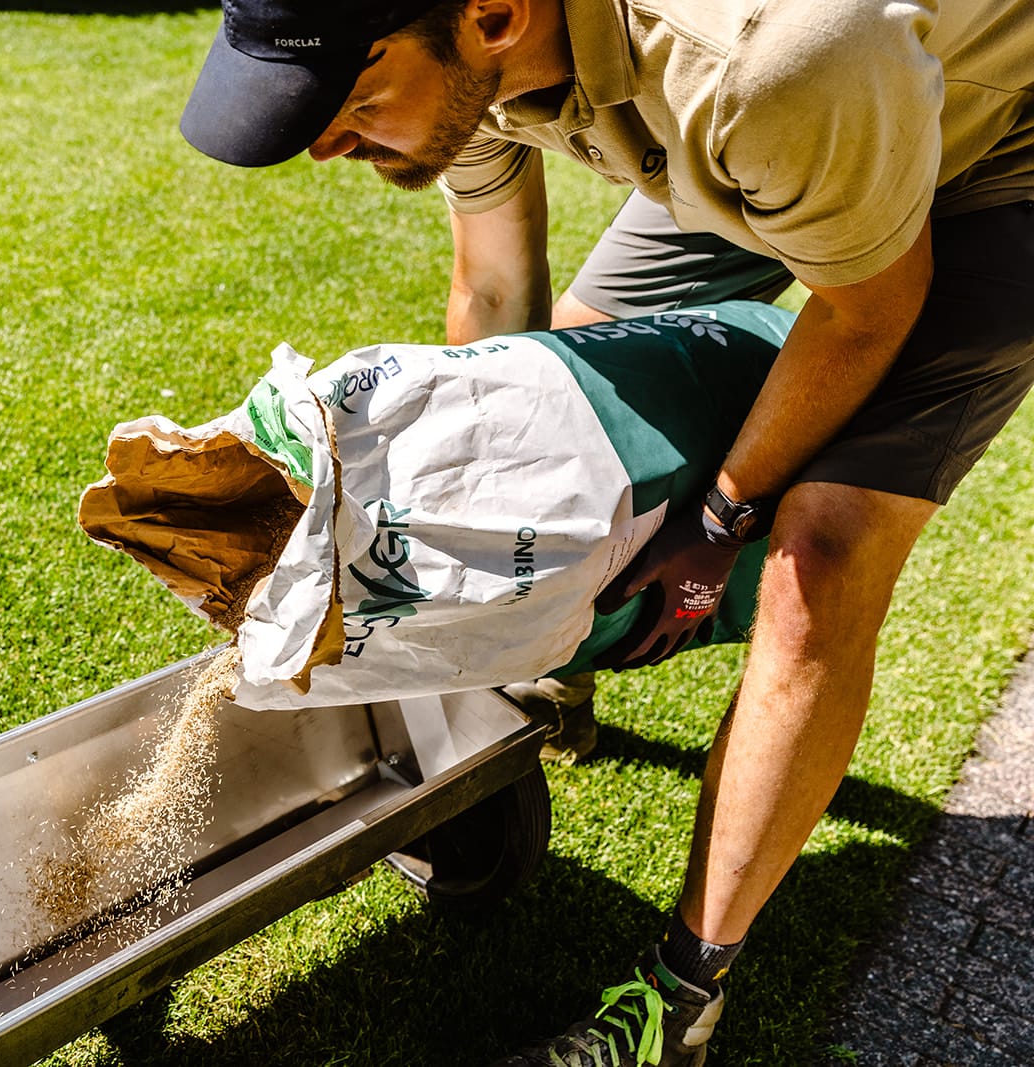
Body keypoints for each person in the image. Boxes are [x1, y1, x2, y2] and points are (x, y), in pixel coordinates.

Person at [176, 0, 1034, 1062]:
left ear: (494, 16)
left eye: (353, 103)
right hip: (792, 132)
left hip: (993, 154)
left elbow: (865, 311)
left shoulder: (762, 68)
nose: (326, 145)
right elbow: (497, 297)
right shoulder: (468, 62)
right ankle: (542, 689)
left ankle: (682, 999)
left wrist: (719, 519)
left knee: (820, 546)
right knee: (579, 375)